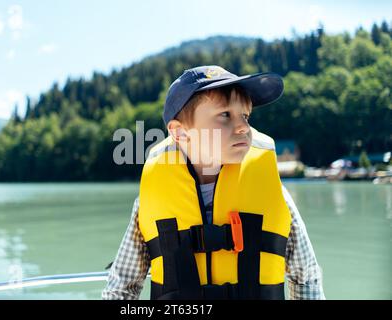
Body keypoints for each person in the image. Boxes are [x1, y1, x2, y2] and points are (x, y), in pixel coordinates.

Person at [102, 65, 325, 300]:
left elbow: (306, 278)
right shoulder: (149, 201)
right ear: (180, 134)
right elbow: (122, 287)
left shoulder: (274, 193)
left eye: (245, 116)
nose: (243, 127)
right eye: (225, 115)